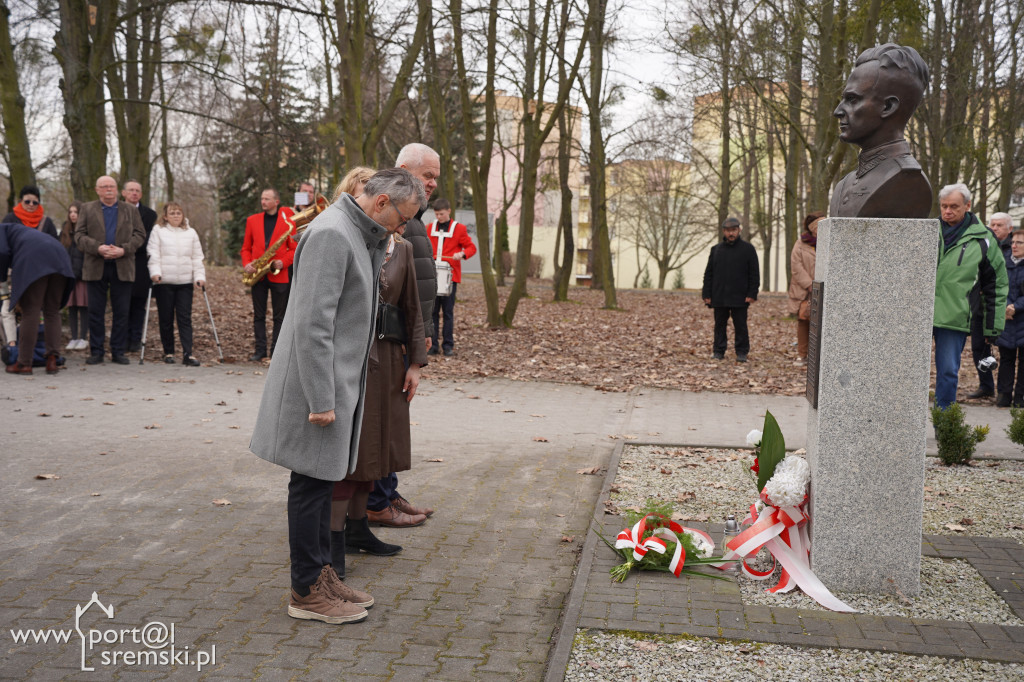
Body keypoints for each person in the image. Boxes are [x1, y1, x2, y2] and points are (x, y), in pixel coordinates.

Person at [249, 168, 426, 625]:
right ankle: (306, 591)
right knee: (310, 486)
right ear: (382, 202)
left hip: (335, 385)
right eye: (399, 218)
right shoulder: (333, 233)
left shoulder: (355, 231)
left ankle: (321, 575)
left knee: (322, 482)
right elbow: (312, 325)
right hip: (317, 391)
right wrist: (322, 399)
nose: (398, 229)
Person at [332, 202, 427, 569]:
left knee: (377, 449)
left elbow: (413, 309)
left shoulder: (403, 248)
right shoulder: (351, 240)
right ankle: (334, 538)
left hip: (389, 358)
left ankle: (359, 529)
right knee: (353, 452)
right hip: (353, 355)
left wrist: (415, 362)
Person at [365, 143, 441, 528]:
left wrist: (423, 331)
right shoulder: (392, 213)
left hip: (407, 333)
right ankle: (377, 499)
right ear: (402, 169)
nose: (432, 184)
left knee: (395, 419)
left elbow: (419, 279)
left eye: (435, 178)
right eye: (427, 175)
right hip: (387, 336)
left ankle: (387, 490)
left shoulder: (414, 214)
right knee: (384, 419)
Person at [829, 43, 932, 219]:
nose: (837, 111)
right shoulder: (843, 185)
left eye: (852, 99)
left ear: (888, 106)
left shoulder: (907, 181)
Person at [933, 183, 1007, 410]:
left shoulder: (984, 239)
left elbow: (996, 285)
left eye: (954, 206)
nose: (947, 211)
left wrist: (992, 328)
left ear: (967, 205)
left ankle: (945, 426)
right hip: (917, 315)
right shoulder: (927, 231)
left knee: (947, 372)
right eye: (944, 206)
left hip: (955, 317)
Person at [73, 176, 146, 365]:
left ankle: (118, 351)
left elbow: (140, 234)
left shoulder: (129, 210)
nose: (108, 190)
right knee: (96, 311)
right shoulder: (87, 209)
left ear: (117, 190)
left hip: (122, 265)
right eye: (104, 187)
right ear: (97, 190)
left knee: (121, 311)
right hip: (95, 265)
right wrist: (97, 247)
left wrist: (124, 249)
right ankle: (97, 351)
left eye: (111, 186)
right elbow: (79, 236)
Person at [1, 222, 74, 375]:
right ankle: (52, 360)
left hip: (35, 259)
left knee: (31, 312)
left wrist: (2, 279)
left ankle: (24, 363)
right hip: (60, 257)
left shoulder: (2, 229)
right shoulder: (18, 230)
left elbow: (2, 252)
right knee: (52, 311)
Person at [147, 203, 206, 366]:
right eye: (172, 213)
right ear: (165, 216)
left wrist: (199, 276)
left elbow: (197, 257)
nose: (175, 216)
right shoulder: (158, 231)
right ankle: (168, 352)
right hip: (164, 281)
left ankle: (188, 353)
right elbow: (154, 254)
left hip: (185, 282)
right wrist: (155, 273)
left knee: (184, 318)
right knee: (165, 318)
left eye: (178, 213)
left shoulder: (191, 232)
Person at [240, 189, 295, 361]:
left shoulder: (288, 222)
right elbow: (245, 248)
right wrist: (247, 263)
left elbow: (294, 249)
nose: (263, 201)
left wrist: (283, 262)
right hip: (258, 274)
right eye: (262, 198)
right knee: (258, 315)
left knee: (279, 316)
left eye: (267, 199)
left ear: (276, 201)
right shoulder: (252, 220)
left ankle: (276, 352)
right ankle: (260, 350)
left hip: (279, 274)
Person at [967, 213, 1014, 400]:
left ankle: (1007, 392)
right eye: (992, 224)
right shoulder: (982, 244)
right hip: (982, 306)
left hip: (1007, 308)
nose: (994, 228)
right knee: (979, 347)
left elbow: (1004, 281)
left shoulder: (1014, 249)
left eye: (1000, 225)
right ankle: (985, 385)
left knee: (1007, 354)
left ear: (1009, 229)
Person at [702, 216, 759, 362]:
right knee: (719, 325)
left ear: (739, 230)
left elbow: (754, 273)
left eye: (733, 230)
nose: (731, 233)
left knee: (740, 325)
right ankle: (718, 351)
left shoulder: (748, 249)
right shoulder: (716, 250)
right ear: (723, 231)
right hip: (719, 295)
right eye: (728, 231)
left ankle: (741, 352)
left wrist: (752, 293)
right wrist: (706, 294)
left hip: (740, 296)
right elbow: (709, 273)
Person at [426, 198, 476, 357]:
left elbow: (471, 247)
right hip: (432, 276)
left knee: (447, 313)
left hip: (450, 277)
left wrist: (461, 254)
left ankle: (448, 345)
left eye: (441, 213)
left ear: (449, 211)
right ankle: (432, 345)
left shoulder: (459, 229)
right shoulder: (429, 228)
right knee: (432, 313)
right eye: (436, 214)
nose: (439, 217)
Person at [122, 180, 158, 352]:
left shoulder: (150, 215)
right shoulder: (115, 211)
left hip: (141, 265)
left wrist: (126, 247)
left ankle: (135, 339)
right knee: (122, 303)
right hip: (119, 264)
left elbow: (148, 240)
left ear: (141, 194)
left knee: (138, 304)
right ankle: (121, 339)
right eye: (131, 190)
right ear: (124, 193)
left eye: (137, 190)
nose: (134, 193)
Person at [788, 211, 822, 365]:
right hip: (805, 291)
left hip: (824, 289)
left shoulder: (829, 242)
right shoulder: (800, 244)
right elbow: (796, 267)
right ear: (812, 228)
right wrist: (809, 285)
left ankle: (819, 356)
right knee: (804, 322)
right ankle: (803, 355)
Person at [995, 229, 1024, 408]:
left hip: (1021, 317)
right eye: (1013, 242)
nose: (1014, 245)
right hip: (1005, 318)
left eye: (1019, 243)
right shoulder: (1002, 262)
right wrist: (1005, 306)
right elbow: (995, 285)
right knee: (1006, 358)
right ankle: (1004, 395)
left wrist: (1016, 307)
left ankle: (1020, 396)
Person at [59, 202, 89, 350]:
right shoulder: (64, 231)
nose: (72, 215)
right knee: (71, 307)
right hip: (69, 276)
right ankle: (74, 337)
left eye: (76, 212)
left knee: (83, 307)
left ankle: (83, 337)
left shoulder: (86, 231)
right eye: (70, 212)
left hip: (83, 277)